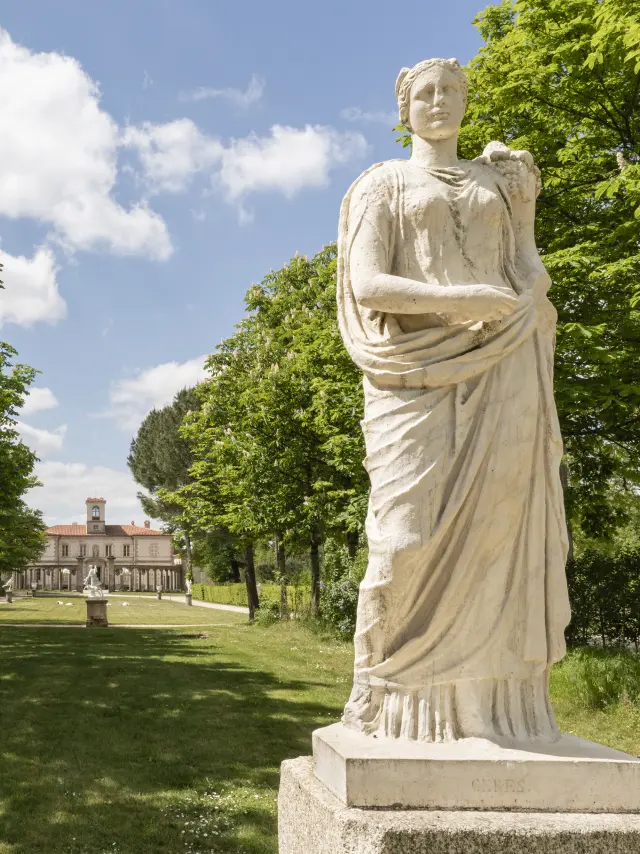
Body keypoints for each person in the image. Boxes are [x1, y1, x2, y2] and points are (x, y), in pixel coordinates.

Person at [337, 58, 570, 743]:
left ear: (466, 104)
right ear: (404, 108)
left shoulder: (493, 185)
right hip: (411, 376)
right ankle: (383, 692)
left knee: (498, 536)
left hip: (506, 369)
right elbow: (368, 284)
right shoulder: (384, 183)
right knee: (403, 540)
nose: (438, 102)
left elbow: (529, 277)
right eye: (425, 93)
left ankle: (482, 707)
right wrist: (458, 301)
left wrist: (524, 212)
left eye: (451, 92)